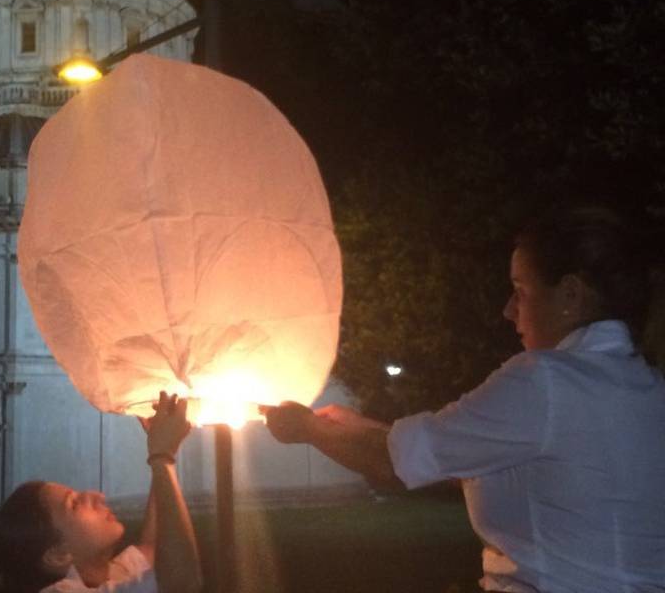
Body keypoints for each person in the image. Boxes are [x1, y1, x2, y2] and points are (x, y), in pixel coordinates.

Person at [261, 207, 665, 592]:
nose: (509, 311)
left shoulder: (545, 381)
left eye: (520, 292)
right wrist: (363, 429)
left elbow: (390, 464)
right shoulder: (645, 387)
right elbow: (469, 454)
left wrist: (306, 428)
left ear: (570, 296)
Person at [0, 392, 202, 593]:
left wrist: (165, 449)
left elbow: (152, 546)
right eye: (75, 504)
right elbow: (181, 584)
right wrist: (162, 457)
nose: (97, 496)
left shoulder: (108, 573)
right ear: (58, 554)